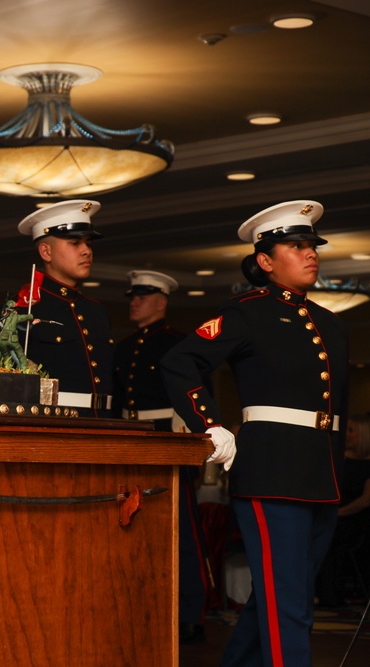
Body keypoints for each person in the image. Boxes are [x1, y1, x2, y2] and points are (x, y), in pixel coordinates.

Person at [161, 200, 347, 667]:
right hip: (271, 475)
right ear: (265, 262)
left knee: (283, 597)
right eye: (296, 246)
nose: (311, 254)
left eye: (312, 246)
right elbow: (180, 363)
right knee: (290, 607)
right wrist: (211, 424)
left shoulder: (331, 324)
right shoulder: (247, 313)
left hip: (322, 476)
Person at [112, 270, 208, 643]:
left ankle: (190, 610)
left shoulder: (178, 344)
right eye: (132, 296)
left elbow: (195, 398)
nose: (134, 302)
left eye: (143, 295)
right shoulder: (122, 348)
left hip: (168, 439)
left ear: (161, 301)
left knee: (181, 529)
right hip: (130, 440)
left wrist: (193, 448)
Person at [14, 200, 114, 417]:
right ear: (46, 252)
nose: (87, 251)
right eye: (75, 243)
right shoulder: (23, 309)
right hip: (55, 424)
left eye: (88, 243)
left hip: (106, 424)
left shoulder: (96, 310)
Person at [316, 413, 370, 605]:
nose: (346, 434)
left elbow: (366, 500)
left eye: (351, 430)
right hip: (333, 513)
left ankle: (330, 595)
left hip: (354, 518)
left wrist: (340, 513)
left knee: (330, 535)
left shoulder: (367, 465)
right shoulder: (338, 459)